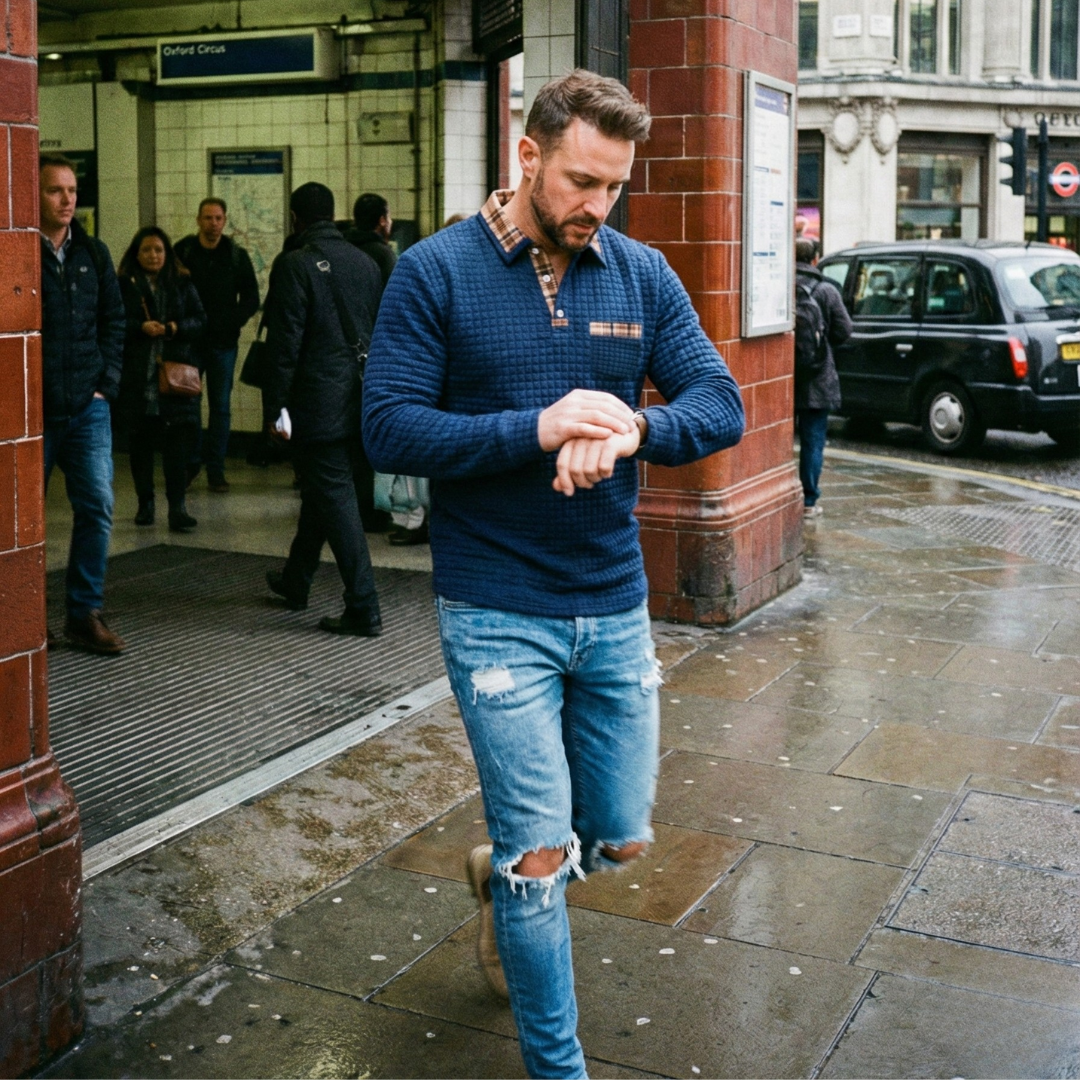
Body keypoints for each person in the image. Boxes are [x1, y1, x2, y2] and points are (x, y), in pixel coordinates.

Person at [362, 70, 745, 1077]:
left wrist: (633, 431)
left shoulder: (639, 273)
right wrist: (536, 428)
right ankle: (556, 1059)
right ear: (527, 155)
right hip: (495, 606)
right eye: (581, 181)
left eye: (614, 186)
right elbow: (388, 428)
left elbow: (721, 403)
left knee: (617, 838)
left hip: (612, 600)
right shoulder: (435, 272)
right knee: (542, 856)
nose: (597, 206)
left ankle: (504, 876)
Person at [263, 182, 384, 635]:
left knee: (336, 501)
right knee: (322, 493)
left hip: (318, 404)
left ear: (295, 218)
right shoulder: (366, 262)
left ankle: (364, 606)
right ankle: (296, 580)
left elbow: (285, 343)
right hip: (360, 399)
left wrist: (274, 405)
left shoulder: (294, 264)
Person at [39, 153, 127, 655]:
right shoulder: (15, 250)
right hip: (32, 411)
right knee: (22, 519)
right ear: (34, 194)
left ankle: (84, 613)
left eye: (72, 190)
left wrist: (105, 384)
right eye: (56, 190)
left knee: (97, 506)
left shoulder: (92, 252)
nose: (67, 199)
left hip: (87, 406)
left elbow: (114, 320)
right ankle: (28, 616)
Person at [117, 227, 207, 533]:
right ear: (136, 253)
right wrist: (139, 328)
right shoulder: (125, 284)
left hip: (174, 377)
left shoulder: (182, 282)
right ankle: (145, 503)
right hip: (138, 378)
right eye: (146, 250)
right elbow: (114, 321)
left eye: (158, 250)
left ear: (167, 253)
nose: (153, 255)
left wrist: (173, 328)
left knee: (177, 447)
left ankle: (178, 507)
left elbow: (200, 320)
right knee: (140, 444)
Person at [174, 198, 260, 492]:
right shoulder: (183, 252)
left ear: (225, 221)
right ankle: (192, 463)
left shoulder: (236, 256)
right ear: (198, 220)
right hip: (190, 343)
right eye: (208, 218)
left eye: (218, 218)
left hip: (223, 343)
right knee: (190, 405)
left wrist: (233, 321)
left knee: (220, 407)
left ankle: (216, 469)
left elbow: (251, 297)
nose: (213, 224)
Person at [794, 237, 853, 518]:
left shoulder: (781, 286)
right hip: (817, 378)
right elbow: (845, 330)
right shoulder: (826, 290)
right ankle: (808, 501)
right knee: (812, 441)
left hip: (785, 377)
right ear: (815, 259)